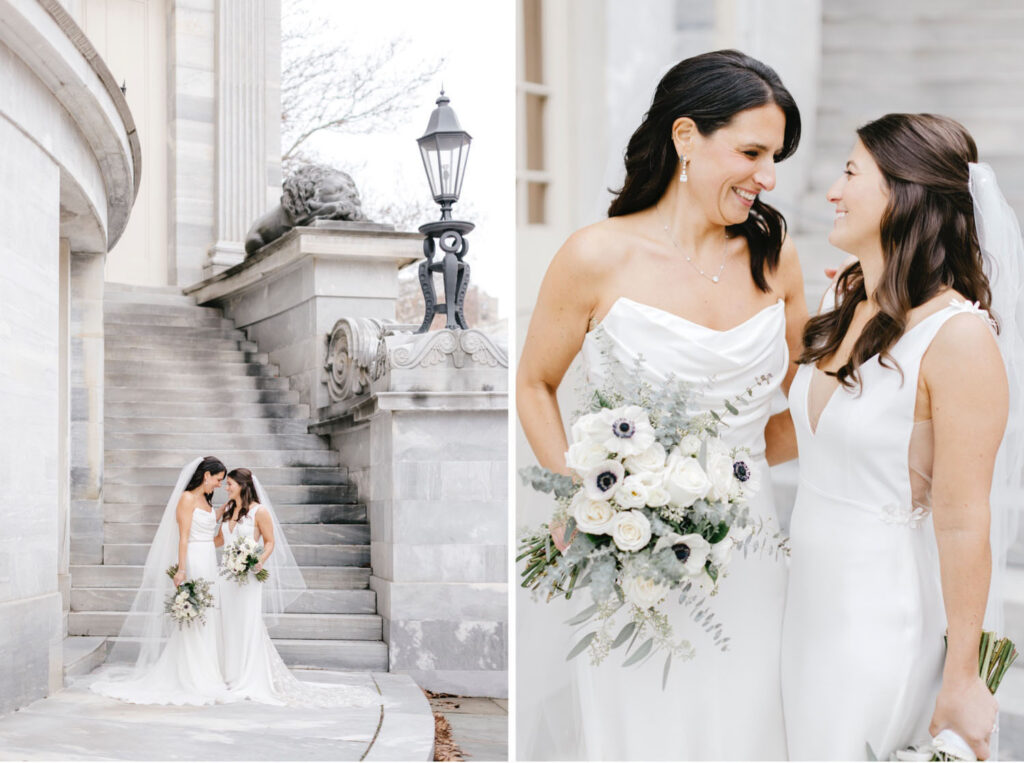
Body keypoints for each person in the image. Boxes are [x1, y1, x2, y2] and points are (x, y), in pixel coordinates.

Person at [516, 49, 807, 760]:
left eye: (776, 157)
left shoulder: (777, 257)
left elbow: (801, 404)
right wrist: (594, 500)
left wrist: (723, 481)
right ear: (685, 137)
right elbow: (534, 384)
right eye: (751, 151)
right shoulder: (595, 256)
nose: (768, 177)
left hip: (750, 556)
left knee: (747, 726)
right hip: (629, 566)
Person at [780, 113, 1020, 761]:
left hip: (878, 616)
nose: (831, 190)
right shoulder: (846, 307)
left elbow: (966, 519)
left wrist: (963, 675)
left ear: (905, 194)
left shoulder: (959, 338)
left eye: (851, 172)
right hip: (804, 604)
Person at [217, 467, 377, 707]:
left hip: (247, 577)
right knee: (227, 622)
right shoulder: (228, 509)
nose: (225, 487)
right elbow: (219, 540)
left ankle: (246, 675)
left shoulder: (259, 512)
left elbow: (270, 542)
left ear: (242, 485)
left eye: (229, 483)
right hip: (225, 576)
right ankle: (227, 673)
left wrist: (259, 559)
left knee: (246, 622)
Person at [92, 456, 235, 705]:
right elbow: (183, 537)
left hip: (209, 559)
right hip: (193, 559)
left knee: (208, 613)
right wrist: (181, 570)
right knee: (195, 613)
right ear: (206, 476)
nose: (220, 485)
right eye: (219, 480)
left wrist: (228, 508)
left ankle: (207, 670)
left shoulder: (206, 500)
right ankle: (194, 674)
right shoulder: (187, 498)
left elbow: (210, 522)